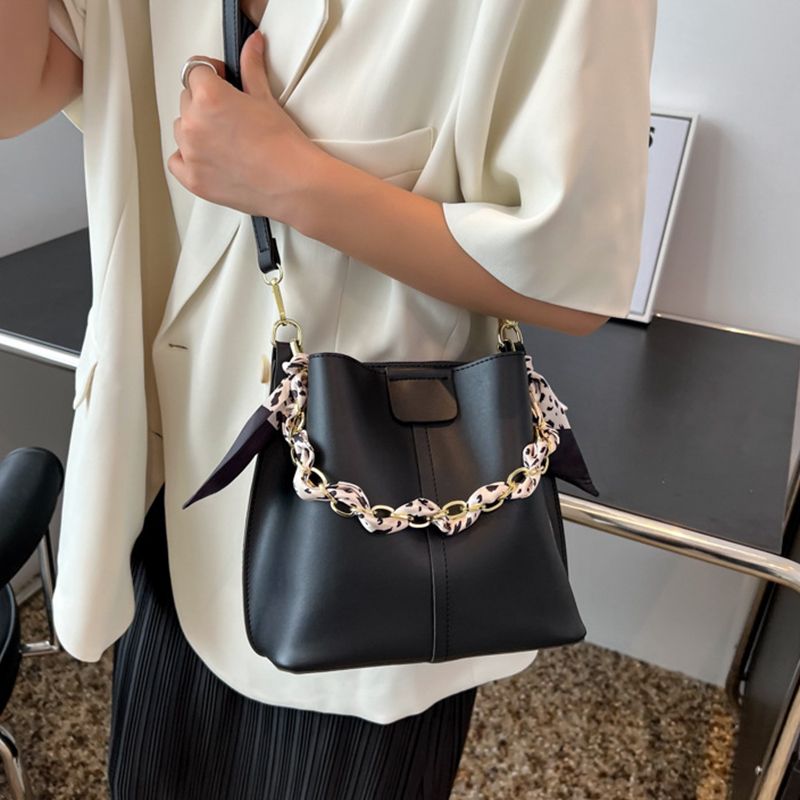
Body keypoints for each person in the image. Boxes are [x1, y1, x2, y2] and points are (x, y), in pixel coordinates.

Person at [0, 0, 657, 796]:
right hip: (162, 499)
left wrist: (289, 181)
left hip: (370, 551)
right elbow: (16, 91)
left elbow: (572, 281)